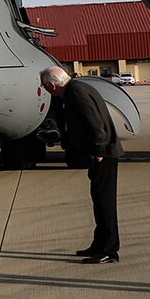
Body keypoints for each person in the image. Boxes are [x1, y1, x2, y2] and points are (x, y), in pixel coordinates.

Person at [41, 66, 124, 263]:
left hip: (104, 155)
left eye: (44, 86)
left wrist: (98, 152)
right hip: (101, 153)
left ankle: (108, 250)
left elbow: (95, 124)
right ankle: (99, 244)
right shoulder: (76, 88)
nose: (44, 89)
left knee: (105, 203)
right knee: (99, 201)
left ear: (52, 85)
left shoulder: (76, 92)